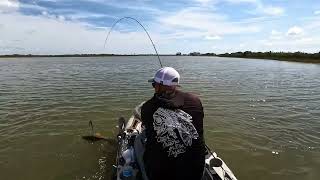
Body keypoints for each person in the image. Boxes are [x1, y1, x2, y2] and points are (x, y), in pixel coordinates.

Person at [140, 67, 205, 180]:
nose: (154, 87)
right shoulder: (195, 100)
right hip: (195, 172)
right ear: (175, 85)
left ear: (158, 86)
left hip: (160, 174)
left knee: (141, 142)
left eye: (154, 84)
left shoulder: (147, 107)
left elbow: (148, 127)